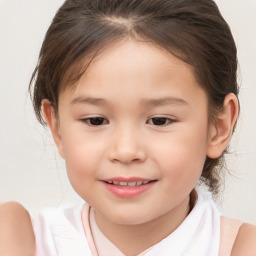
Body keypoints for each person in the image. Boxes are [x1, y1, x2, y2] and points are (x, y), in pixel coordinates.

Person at [0, 0, 256, 255]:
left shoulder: (241, 247)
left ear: (219, 127)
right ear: (57, 126)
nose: (125, 151)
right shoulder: (19, 240)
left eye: (160, 120)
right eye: (95, 120)